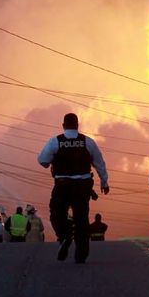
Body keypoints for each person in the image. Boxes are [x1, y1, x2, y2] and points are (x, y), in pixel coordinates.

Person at [38, 113, 109, 264]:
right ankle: (81, 255)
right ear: (78, 125)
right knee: (81, 219)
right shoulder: (87, 142)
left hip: (62, 185)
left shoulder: (55, 142)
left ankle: (64, 236)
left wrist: (54, 161)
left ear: (63, 125)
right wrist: (104, 182)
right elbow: (99, 163)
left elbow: (42, 160)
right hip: (82, 187)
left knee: (56, 214)